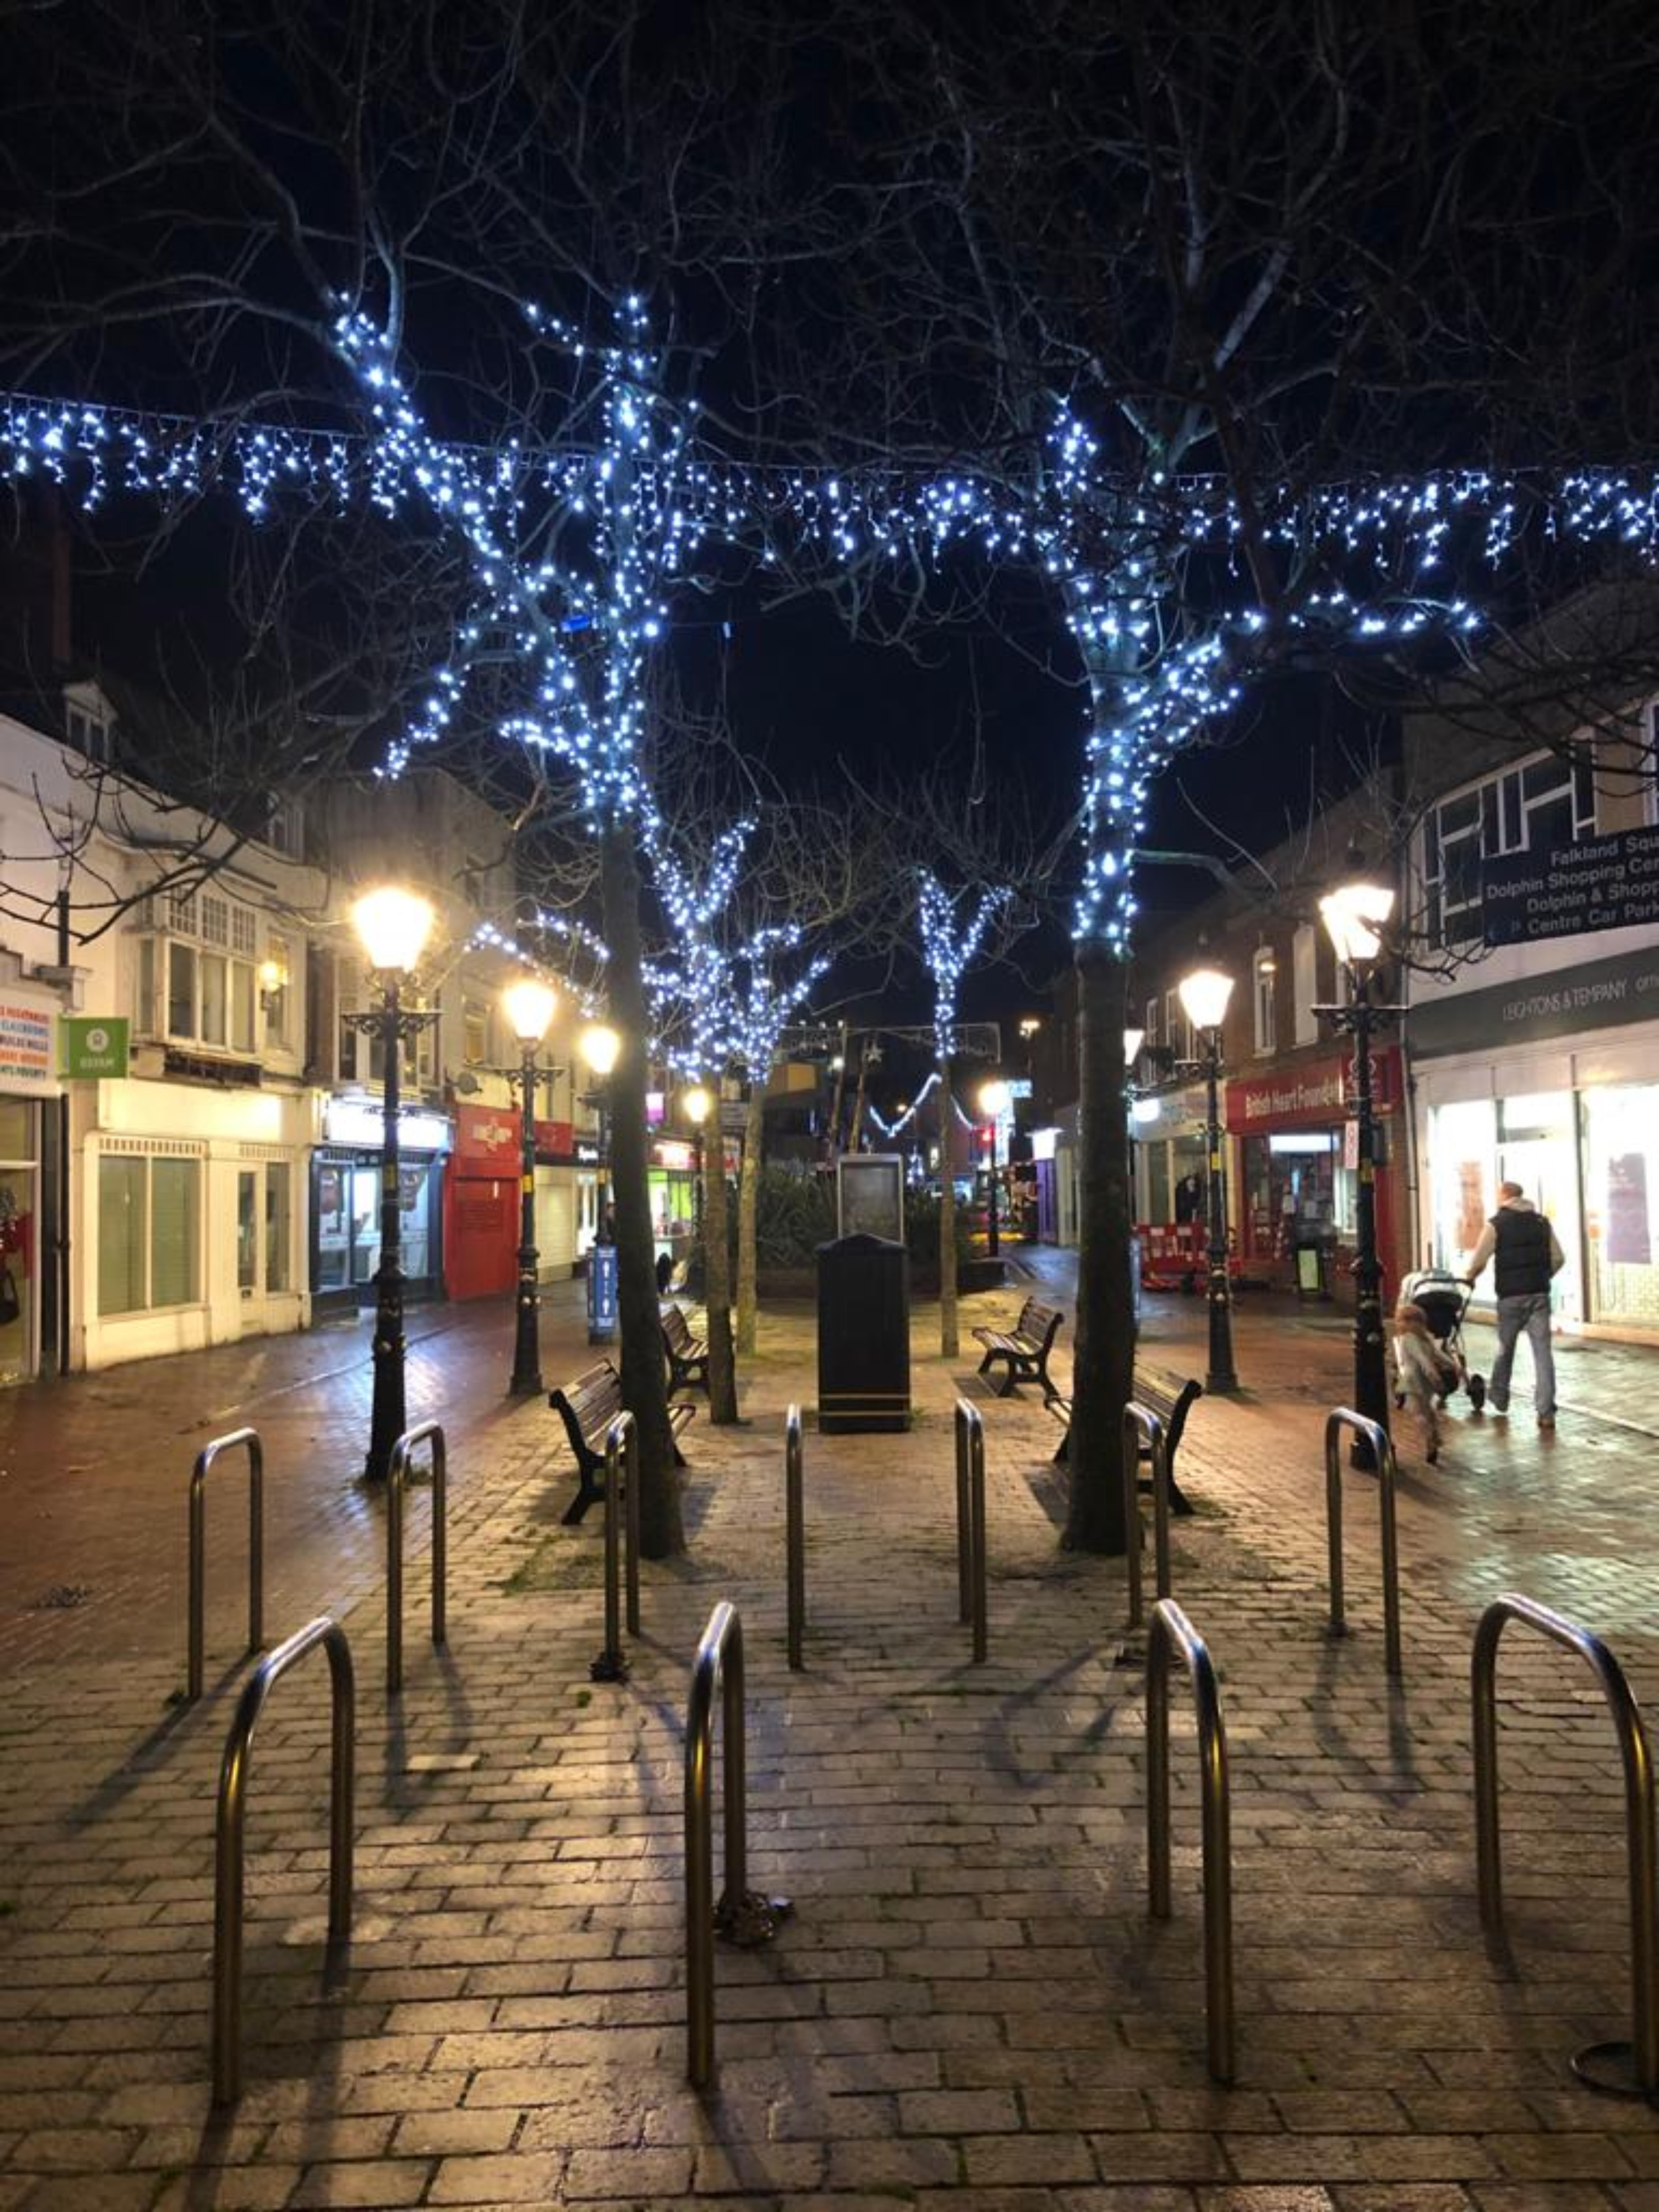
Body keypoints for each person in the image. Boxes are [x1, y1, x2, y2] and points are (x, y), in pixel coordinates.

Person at [1464, 1180, 1566, 1429]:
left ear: (1504, 1197)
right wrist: (1543, 1277)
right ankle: (1546, 1412)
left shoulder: (1497, 1224)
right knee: (1543, 1354)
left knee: (1505, 1349)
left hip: (1510, 1297)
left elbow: (1479, 1260)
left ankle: (1499, 1398)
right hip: (1539, 1296)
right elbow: (1559, 1258)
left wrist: (1469, 1278)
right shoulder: (1542, 1223)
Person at [1392, 1300, 1459, 1464]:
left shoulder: (1408, 1339)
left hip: (1413, 1379)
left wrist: (1434, 1374)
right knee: (1427, 1409)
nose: (1398, 1324)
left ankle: (1430, 1439)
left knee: (1416, 1412)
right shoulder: (1427, 1338)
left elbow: (1423, 1360)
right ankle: (1435, 1434)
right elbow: (1438, 1355)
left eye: (1400, 1320)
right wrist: (1455, 1366)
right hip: (1426, 1381)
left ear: (1407, 1322)